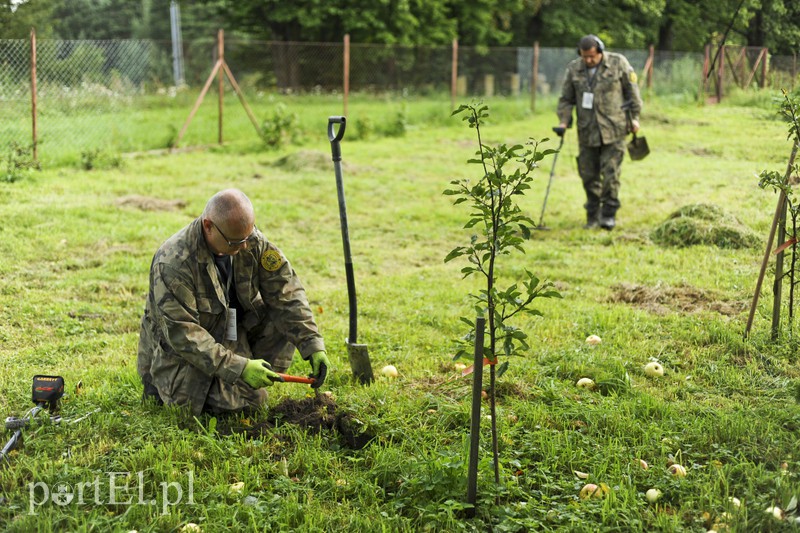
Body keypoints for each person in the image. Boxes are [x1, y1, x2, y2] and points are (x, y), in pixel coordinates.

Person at [137, 188, 330, 415]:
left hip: (229, 334)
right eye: (235, 242)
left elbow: (286, 293)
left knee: (254, 397)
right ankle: (168, 388)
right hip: (182, 354)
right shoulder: (173, 263)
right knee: (234, 408)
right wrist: (240, 367)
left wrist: (312, 343)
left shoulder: (245, 240)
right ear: (208, 226)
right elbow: (183, 335)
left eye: (247, 238)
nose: (245, 247)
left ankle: (250, 377)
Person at [556, 34, 643, 230]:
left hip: (614, 129)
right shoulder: (574, 69)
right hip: (587, 131)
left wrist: (635, 118)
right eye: (585, 56)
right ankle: (592, 214)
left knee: (611, 174)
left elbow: (632, 93)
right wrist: (563, 121)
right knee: (588, 175)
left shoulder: (618, 63)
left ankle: (608, 214)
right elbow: (566, 99)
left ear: (600, 52)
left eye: (592, 57)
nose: (588, 60)